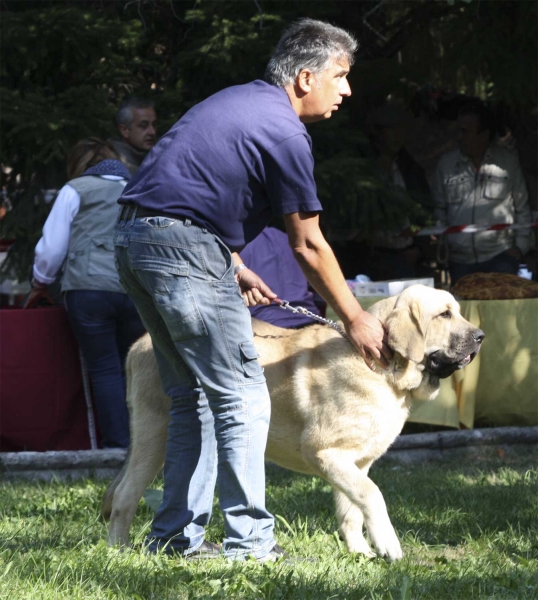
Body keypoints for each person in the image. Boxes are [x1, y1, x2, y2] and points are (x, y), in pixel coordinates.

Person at [114, 18, 391, 562]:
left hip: (134, 241)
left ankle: (175, 542)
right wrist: (355, 317)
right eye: (341, 76)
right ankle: (251, 546)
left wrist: (232, 259)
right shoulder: (285, 131)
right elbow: (307, 244)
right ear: (306, 78)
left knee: (192, 398)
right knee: (242, 396)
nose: (348, 90)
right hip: (180, 250)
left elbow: (181, 186)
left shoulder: (236, 101)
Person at [25, 138, 146, 449]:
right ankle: (144, 446)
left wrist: (40, 282)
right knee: (132, 368)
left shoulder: (75, 189)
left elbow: (51, 250)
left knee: (105, 369)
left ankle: (117, 447)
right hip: (134, 289)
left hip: (87, 290)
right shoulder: (139, 190)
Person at [432, 100, 533, 285]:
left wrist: (519, 249)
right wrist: (446, 245)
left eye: (465, 131)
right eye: (459, 130)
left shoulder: (508, 162)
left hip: (502, 258)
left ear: (484, 135)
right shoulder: (446, 165)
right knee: (465, 314)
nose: (459, 137)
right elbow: (438, 211)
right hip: (460, 262)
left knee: (503, 313)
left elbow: (522, 208)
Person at [240, 227, 325, 328]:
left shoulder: (233, 247)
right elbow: (320, 295)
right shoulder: (291, 241)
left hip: (262, 330)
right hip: (308, 324)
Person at [109, 96, 158, 175]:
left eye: (154, 125)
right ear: (125, 130)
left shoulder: (155, 161)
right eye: (143, 126)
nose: (152, 132)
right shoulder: (112, 167)